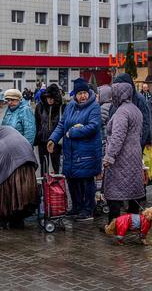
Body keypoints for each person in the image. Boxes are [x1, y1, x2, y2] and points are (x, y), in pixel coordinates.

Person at [47, 78, 102, 221]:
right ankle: (77, 207)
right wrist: (53, 139)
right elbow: (61, 124)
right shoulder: (70, 105)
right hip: (71, 152)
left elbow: (93, 126)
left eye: (85, 92)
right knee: (72, 180)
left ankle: (88, 209)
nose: (83, 96)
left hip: (87, 153)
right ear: (75, 95)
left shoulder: (94, 106)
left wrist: (73, 133)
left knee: (86, 180)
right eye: (79, 93)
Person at [0, 126, 38, 228]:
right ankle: (20, 217)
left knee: (8, 186)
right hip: (26, 150)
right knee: (23, 185)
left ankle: (9, 216)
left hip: (9, 154)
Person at [102, 82, 145, 223]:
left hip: (121, 156)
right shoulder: (135, 110)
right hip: (135, 153)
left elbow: (117, 137)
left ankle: (113, 224)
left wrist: (109, 157)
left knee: (115, 191)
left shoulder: (121, 112)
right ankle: (133, 222)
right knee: (133, 189)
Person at [109, 73, 152, 148]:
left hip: (134, 144)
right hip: (118, 143)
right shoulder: (115, 100)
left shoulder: (139, 99)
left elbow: (146, 122)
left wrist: (141, 142)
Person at [34, 84, 64, 174]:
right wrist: (37, 137)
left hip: (56, 142)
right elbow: (37, 123)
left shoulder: (62, 107)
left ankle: (57, 186)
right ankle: (44, 186)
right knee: (43, 166)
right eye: (48, 97)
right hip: (42, 140)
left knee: (57, 165)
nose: (50, 100)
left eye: (52, 98)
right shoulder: (40, 107)